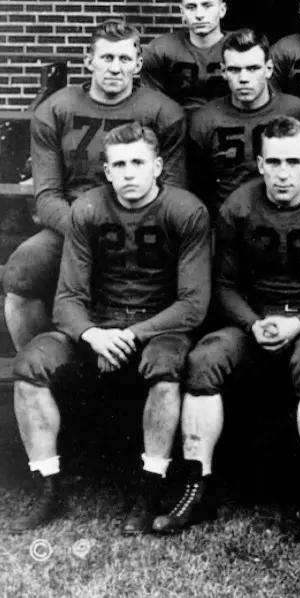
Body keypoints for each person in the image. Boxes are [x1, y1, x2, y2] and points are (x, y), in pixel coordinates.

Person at [152, 117, 300, 537]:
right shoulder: (239, 206)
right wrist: (254, 322)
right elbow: (224, 285)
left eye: (293, 162)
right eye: (274, 162)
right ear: (260, 164)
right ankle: (198, 486)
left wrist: (299, 323)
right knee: (205, 359)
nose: (283, 173)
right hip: (255, 318)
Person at [10, 123, 210, 533]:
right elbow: (67, 298)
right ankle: (48, 486)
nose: (130, 172)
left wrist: (131, 335)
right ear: (106, 170)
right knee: (30, 365)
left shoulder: (186, 210)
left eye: (139, 162)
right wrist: (93, 334)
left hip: (158, 328)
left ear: (158, 166)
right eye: (120, 164)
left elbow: (192, 304)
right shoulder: (87, 209)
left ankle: (149, 488)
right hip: (98, 326)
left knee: (165, 369)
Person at [5, 20, 186, 350]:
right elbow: (47, 195)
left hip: (144, 224)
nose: (115, 68)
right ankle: (45, 369)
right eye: (106, 58)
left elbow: (174, 189)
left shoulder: (164, 111)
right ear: (88, 61)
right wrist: (87, 230)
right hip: (73, 224)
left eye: (124, 59)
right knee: (21, 272)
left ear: (138, 64)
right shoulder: (56, 109)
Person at [186, 28, 300, 212]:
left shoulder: (297, 112)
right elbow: (200, 187)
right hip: (229, 220)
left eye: (252, 68)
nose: (243, 78)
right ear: (223, 71)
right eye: (234, 70)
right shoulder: (204, 120)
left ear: (268, 69)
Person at [141, 0, 229, 111]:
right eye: (191, 7)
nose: (199, 15)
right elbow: (151, 104)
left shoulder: (239, 46)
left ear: (222, 10)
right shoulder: (161, 49)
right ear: (182, 12)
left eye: (207, 6)